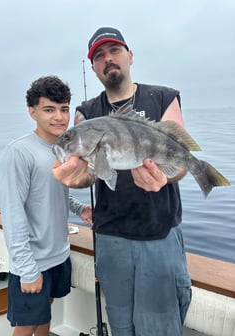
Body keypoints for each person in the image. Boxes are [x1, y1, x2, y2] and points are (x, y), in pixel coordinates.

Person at [52, 28, 192, 336]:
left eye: (114, 50)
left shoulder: (163, 97)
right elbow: (89, 170)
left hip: (159, 236)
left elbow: (180, 160)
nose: (108, 59)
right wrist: (75, 179)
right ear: (93, 69)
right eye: (99, 56)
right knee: (121, 326)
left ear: (129, 55)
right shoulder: (86, 113)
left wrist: (165, 178)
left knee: (160, 326)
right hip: (110, 238)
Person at [0, 76, 92, 336]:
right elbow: (13, 214)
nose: (59, 117)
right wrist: (28, 271)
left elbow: (54, 191)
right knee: (26, 327)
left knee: (45, 315)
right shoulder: (18, 152)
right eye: (49, 109)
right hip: (32, 262)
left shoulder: (63, 150)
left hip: (58, 255)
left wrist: (78, 208)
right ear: (32, 112)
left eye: (64, 109)